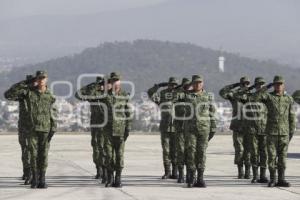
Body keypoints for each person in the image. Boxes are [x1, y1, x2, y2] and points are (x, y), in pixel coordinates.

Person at [5, 70, 57, 189]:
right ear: (36, 80)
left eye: (43, 78)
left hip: (45, 129)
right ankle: (34, 178)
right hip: (31, 129)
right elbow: (8, 95)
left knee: (43, 154)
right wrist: (25, 82)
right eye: (39, 78)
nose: (41, 80)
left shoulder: (50, 94)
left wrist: (53, 127)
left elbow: (53, 111)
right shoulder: (28, 93)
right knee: (33, 154)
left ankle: (42, 179)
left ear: (46, 79)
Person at [255, 75, 295, 187]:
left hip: (284, 134)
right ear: (273, 85)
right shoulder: (268, 97)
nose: (278, 86)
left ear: (284, 85)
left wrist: (290, 133)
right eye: (276, 84)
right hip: (271, 132)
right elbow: (255, 97)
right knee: (272, 157)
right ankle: (272, 179)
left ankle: (281, 179)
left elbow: (291, 117)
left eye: (280, 84)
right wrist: (266, 87)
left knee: (282, 158)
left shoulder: (288, 99)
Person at [184, 75, 216, 188]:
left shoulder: (208, 96)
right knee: (191, 153)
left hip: (204, 129)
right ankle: (191, 178)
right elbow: (174, 96)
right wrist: (185, 88)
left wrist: (213, 127)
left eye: (200, 82)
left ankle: (200, 178)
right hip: (190, 129)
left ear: (203, 83)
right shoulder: (186, 95)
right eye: (195, 82)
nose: (198, 84)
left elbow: (212, 112)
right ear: (192, 84)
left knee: (201, 153)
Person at [4, 75, 36, 185]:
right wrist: (22, 83)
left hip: (37, 126)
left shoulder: (40, 93)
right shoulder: (22, 94)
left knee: (35, 151)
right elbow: (8, 95)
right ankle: (27, 172)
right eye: (30, 82)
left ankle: (34, 173)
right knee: (26, 150)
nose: (33, 84)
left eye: (34, 81)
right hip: (24, 126)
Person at [219, 77, 252, 179]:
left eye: (247, 84)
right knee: (239, 150)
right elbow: (222, 92)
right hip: (237, 126)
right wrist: (235, 85)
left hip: (250, 127)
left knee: (249, 150)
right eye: (243, 84)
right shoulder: (234, 95)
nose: (245, 86)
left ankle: (248, 171)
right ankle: (240, 171)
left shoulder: (252, 96)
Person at [75, 76, 107, 181]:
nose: (101, 86)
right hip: (96, 124)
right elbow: (78, 94)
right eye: (100, 84)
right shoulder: (93, 94)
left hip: (107, 124)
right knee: (96, 147)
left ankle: (106, 170)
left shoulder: (109, 94)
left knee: (106, 148)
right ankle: (99, 170)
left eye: (103, 84)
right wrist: (93, 85)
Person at [103, 72, 132, 188]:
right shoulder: (105, 96)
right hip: (108, 130)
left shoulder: (124, 95)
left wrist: (128, 128)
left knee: (119, 156)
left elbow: (128, 113)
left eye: (117, 80)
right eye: (113, 81)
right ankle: (110, 178)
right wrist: (100, 84)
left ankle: (118, 178)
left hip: (120, 130)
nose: (115, 82)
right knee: (109, 156)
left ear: (120, 82)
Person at [147, 77, 178, 179]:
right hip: (165, 127)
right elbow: (150, 93)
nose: (173, 86)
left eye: (175, 85)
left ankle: (175, 172)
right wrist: (158, 86)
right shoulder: (162, 95)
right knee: (166, 150)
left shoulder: (180, 95)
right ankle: (167, 172)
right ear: (168, 84)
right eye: (171, 84)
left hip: (177, 127)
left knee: (176, 150)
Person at [173, 77, 192, 183]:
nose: (187, 87)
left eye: (188, 85)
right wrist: (180, 88)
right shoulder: (178, 95)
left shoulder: (192, 96)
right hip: (179, 128)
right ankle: (181, 174)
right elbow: (172, 97)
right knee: (180, 151)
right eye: (185, 85)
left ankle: (189, 173)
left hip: (190, 128)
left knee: (190, 151)